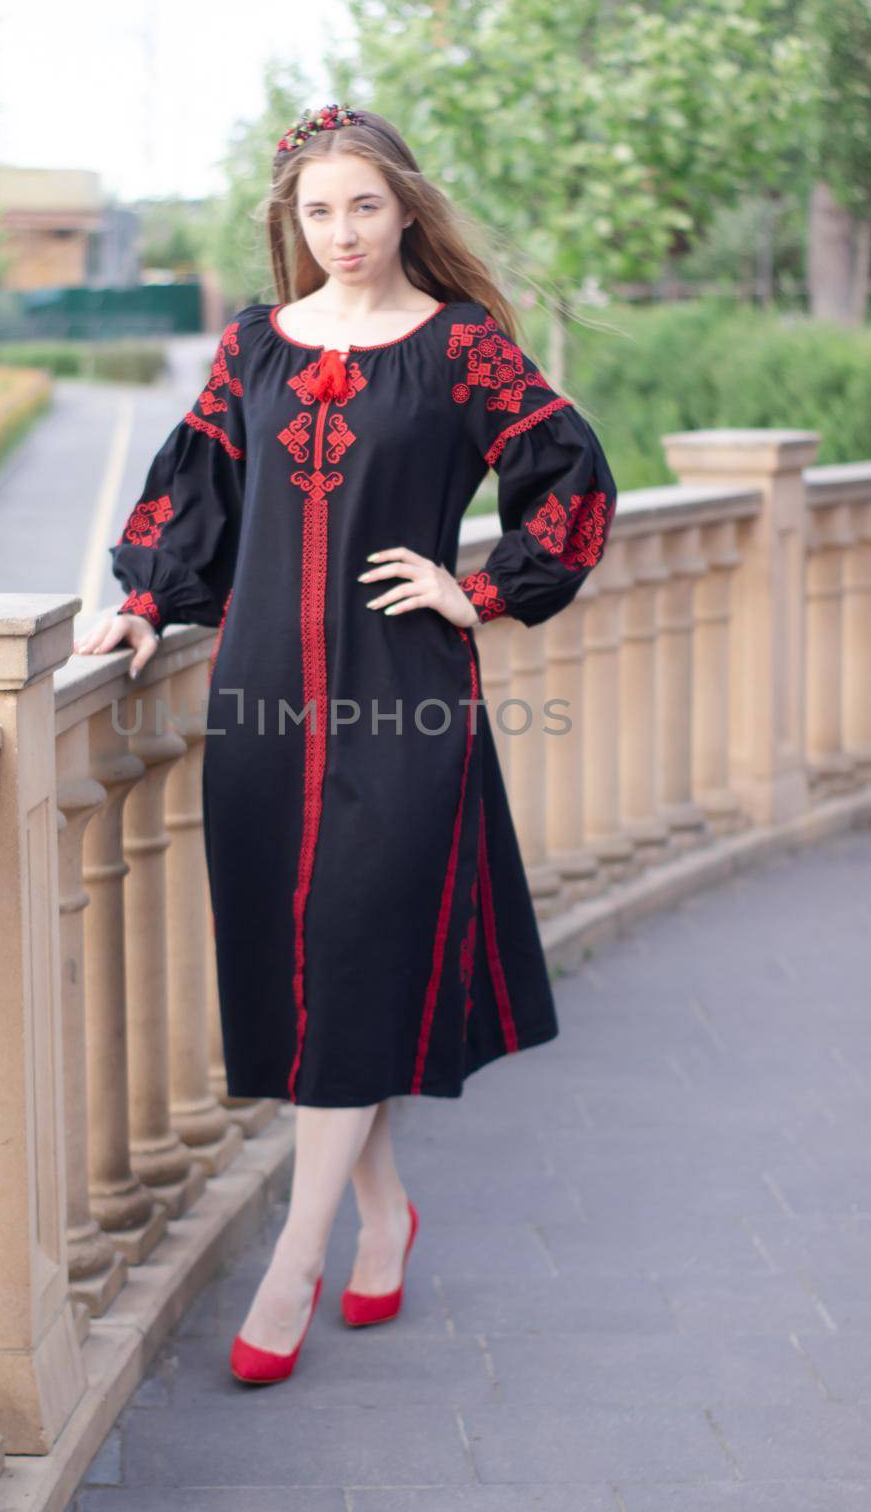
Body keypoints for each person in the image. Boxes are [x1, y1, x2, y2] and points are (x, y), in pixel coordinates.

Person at [73, 103, 618, 1383]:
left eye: (363, 207)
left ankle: (293, 1259)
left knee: (356, 953)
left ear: (404, 209)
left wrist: (473, 587)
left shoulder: (460, 350)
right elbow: (194, 490)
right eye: (316, 212)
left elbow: (571, 478)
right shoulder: (254, 347)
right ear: (291, 221)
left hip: (404, 703)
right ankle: (383, 1213)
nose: (341, 233)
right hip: (262, 705)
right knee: (309, 975)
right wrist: (144, 600)